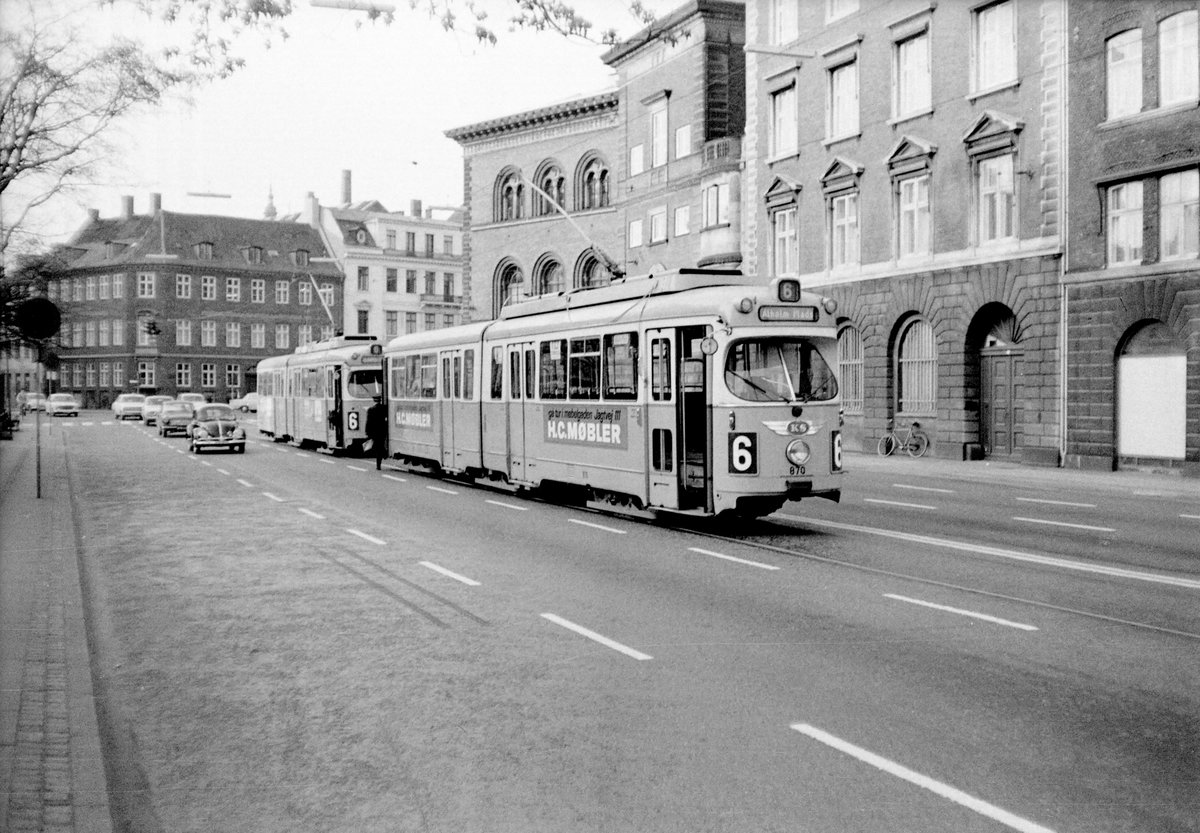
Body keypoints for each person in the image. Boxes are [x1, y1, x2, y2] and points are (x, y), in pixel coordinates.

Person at [365, 395, 388, 470]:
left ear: (374, 400)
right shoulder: (384, 408)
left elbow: (368, 423)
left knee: (377, 448)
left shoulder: (371, 410)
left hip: (374, 432)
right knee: (381, 445)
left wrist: (368, 433)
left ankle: (378, 465)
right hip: (382, 431)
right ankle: (383, 455)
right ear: (380, 400)